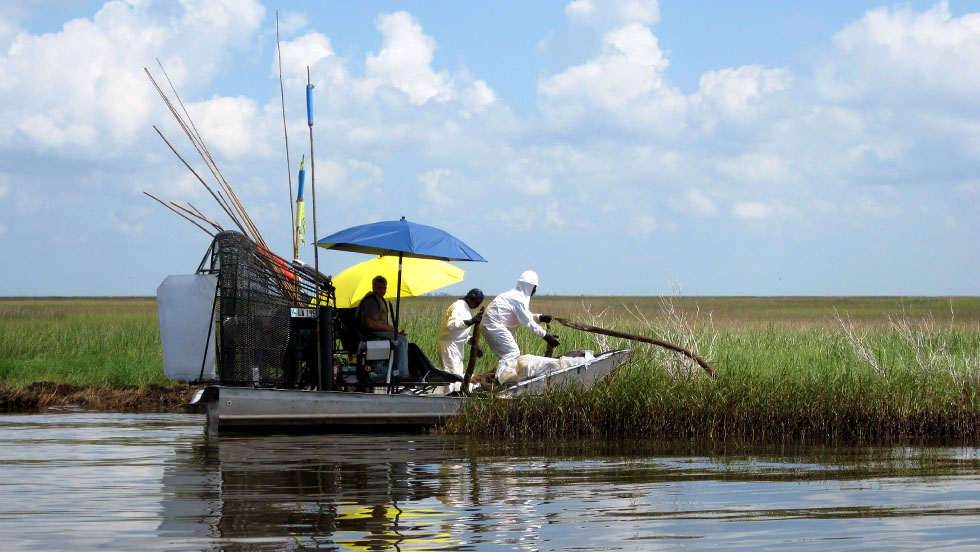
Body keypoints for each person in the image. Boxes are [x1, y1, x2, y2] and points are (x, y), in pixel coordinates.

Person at [480, 270, 559, 378]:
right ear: (528, 286)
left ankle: (499, 379)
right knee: (512, 353)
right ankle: (500, 382)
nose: (535, 291)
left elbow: (525, 316)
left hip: (491, 325)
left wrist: (540, 317)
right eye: (534, 287)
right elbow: (528, 322)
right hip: (494, 325)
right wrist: (546, 336)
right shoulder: (518, 300)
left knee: (508, 356)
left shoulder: (513, 296)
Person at [354, 275, 409, 380]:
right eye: (379, 288)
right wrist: (390, 329)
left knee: (401, 339)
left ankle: (396, 369)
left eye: (384, 288)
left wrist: (394, 332)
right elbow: (370, 324)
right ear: (373, 287)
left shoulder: (378, 300)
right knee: (401, 341)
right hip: (371, 333)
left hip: (378, 332)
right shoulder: (372, 302)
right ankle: (402, 374)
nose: (382, 290)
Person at [437, 288, 485, 392]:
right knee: (452, 375)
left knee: (458, 374)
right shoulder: (458, 306)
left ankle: (454, 396)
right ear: (471, 298)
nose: (476, 306)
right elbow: (451, 325)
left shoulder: (465, 307)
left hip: (457, 346)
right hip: (449, 345)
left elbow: (459, 332)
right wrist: (471, 321)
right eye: (476, 303)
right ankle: (448, 399)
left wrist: (471, 341)